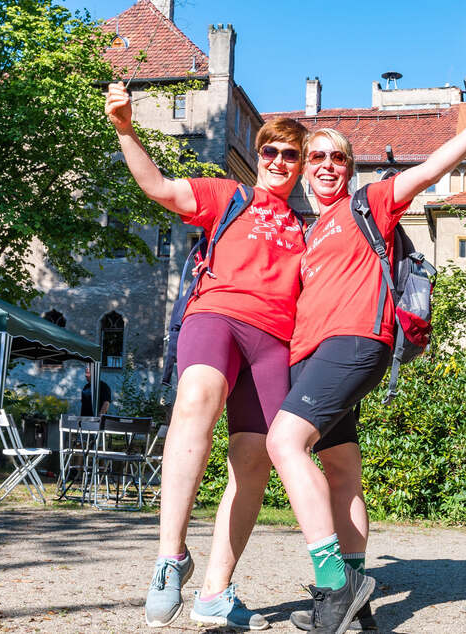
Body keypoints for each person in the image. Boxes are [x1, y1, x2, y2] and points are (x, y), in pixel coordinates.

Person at [266, 82, 466, 634]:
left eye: (338, 157)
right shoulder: (309, 231)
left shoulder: (368, 203)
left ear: (350, 169)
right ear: (305, 169)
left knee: (284, 443)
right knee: (341, 470)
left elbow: (428, 171)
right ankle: (359, 605)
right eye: (317, 157)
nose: (327, 165)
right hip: (307, 355)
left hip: (354, 343)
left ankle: (335, 585)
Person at [105, 81, 308, 630]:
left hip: (275, 341)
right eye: (270, 150)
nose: (279, 160)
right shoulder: (230, 196)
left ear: (303, 166)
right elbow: (160, 188)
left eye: (292, 154)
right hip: (215, 315)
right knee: (196, 398)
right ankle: (170, 557)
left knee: (255, 458)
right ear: (259, 157)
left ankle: (216, 592)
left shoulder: (306, 231)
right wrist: (125, 128)